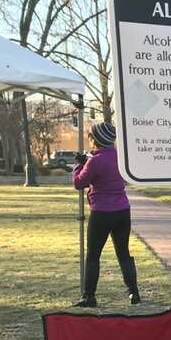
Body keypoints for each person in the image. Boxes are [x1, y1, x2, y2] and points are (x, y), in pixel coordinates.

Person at [71, 122, 140, 307]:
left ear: (96, 139)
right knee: (123, 253)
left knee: (93, 256)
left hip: (101, 212)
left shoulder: (95, 161)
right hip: (122, 210)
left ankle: (89, 296)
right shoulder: (120, 157)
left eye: (90, 137)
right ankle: (134, 292)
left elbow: (79, 183)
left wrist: (78, 165)